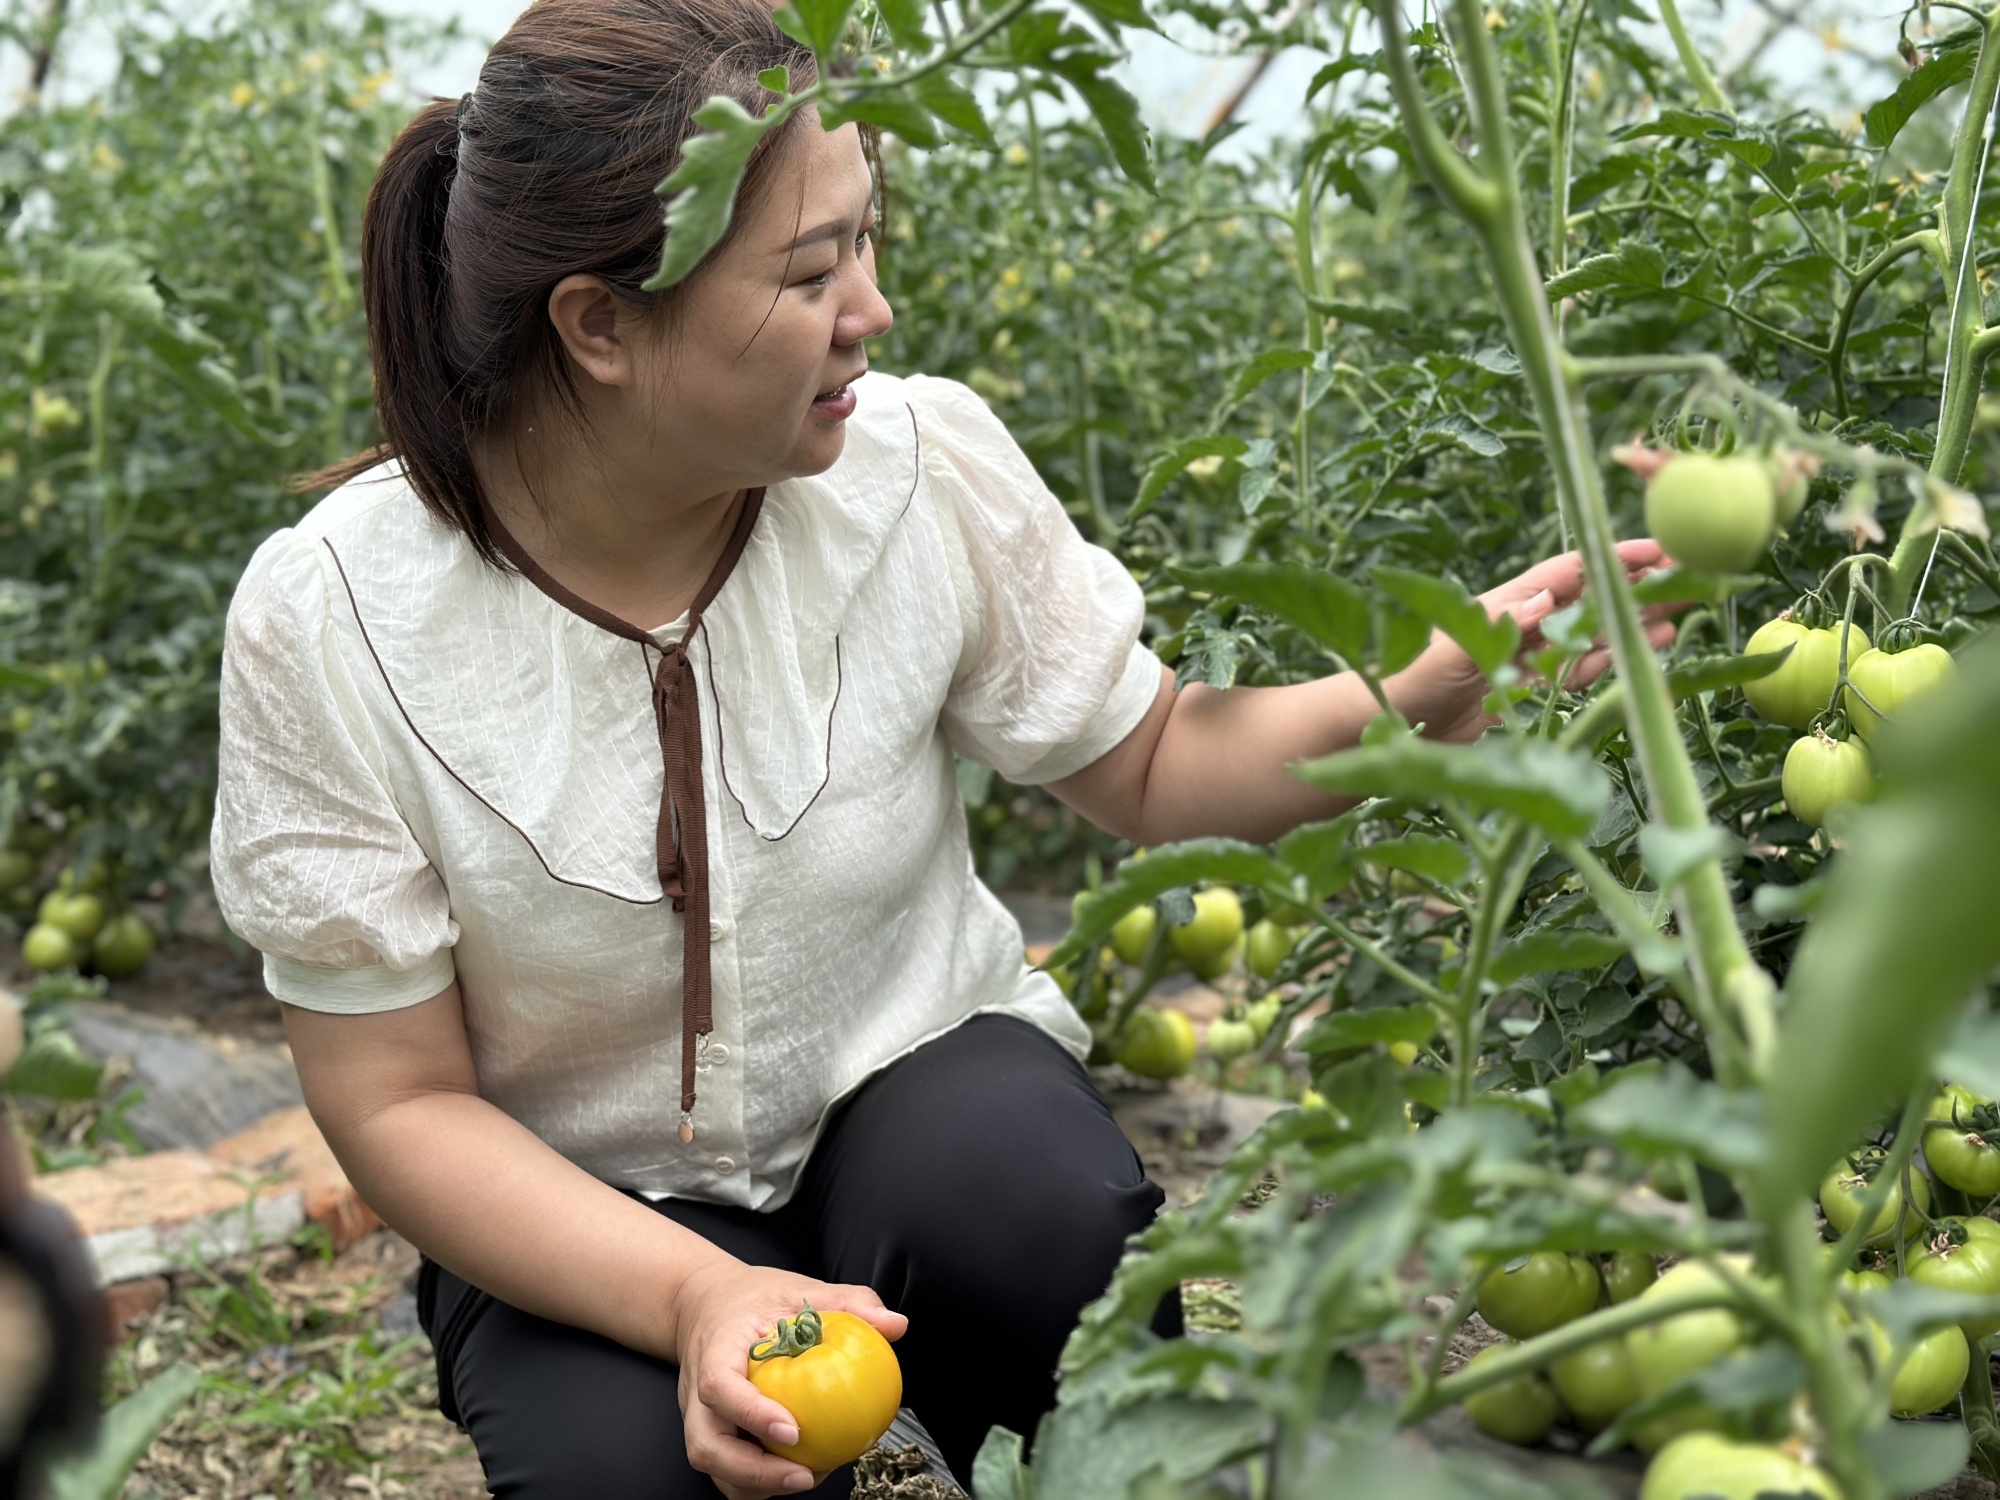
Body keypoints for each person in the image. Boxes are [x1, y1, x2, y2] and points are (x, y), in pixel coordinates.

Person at [211, 0, 1674, 1495]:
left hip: (902, 1095)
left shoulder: (911, 477)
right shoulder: (337, 622)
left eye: (867, 237)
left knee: (1051, 1230)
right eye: (807, 271)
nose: (873, 309)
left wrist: (1425, 683)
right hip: (575, 1204)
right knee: (620, 1472)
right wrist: (695, 1295)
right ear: (598, 324)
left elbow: (1158, 758)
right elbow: (395, 1099)